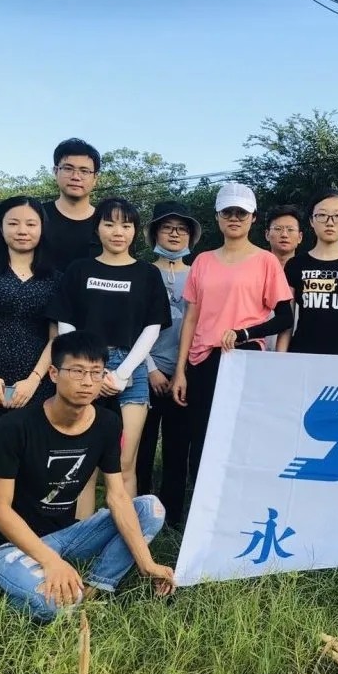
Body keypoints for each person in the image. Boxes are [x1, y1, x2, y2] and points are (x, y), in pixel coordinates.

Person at [0, 331, 175, 622]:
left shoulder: (107, 423)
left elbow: (117, 496)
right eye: (78, 371)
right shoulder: (16, 427)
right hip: (8, 546)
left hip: (65, 536)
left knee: (150, 508)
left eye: (96, 373)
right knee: (55, 604)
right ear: (54, 374)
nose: (87, 382)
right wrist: (51, 562)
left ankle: (96, 588)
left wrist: (147, 563)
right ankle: (8, 597)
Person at [47, 198, 171, 516]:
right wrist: (92, 370)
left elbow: (152, 327)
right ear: (97, 228)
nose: (118, 232)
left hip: (132, 372)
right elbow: (65, 322)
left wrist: (122, 373)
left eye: (126, 225)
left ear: (135, 231)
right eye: (110, 224)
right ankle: (81, 536)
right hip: (84, 370)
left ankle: (125, 535)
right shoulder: (79, 270)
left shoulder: (147, 274)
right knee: (84, 462)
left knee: (124, 462)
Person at [172, 183, 293, 490]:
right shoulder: (202, 261)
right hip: (203, 358)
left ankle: (238, 499)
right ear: (217, 216)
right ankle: (200, 503)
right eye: (228, 212)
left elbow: (284, 317)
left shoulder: (266, 261)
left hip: (245, 358)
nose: (234, 218)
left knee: (241, 434)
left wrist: (245, 333)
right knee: (201, 435)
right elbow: (191, 318)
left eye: (241, 212)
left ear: (253, 218)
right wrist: (180, 370)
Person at [0, 197, 59, 544]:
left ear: (42, 228)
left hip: (32, 384)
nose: (22, 230)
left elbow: (56, 337)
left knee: (26, 466)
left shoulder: (55, 277)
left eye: (31, 223)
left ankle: (15, 549)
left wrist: (33, 382)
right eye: (13, 223)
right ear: (0, 227)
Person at [136, 201, 201, 530]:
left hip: (184, 376)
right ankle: (139, 513)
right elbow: (131, 325)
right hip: (142, 373)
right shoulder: (140, 272)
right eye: (167, 228)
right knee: (141, 448)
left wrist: (181, 372)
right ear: (154, 233)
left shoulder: (199, 273)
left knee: (178, 449)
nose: (175, 234)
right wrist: (150, 368)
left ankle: (172, 518)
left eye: (182, 229)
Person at [277, 189, 338, 355]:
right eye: (322, 215)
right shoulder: (295, 265)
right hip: (301, 356)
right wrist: (280, 359)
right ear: (311, 221)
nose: (330, 222)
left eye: (337, 216)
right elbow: (286, 322)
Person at [42, 138, 101, 273]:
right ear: (56, 171)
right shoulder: (36, 217)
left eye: (84, 171)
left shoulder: (106, 222)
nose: (76, 177)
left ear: (95, 178)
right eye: (68, 169)